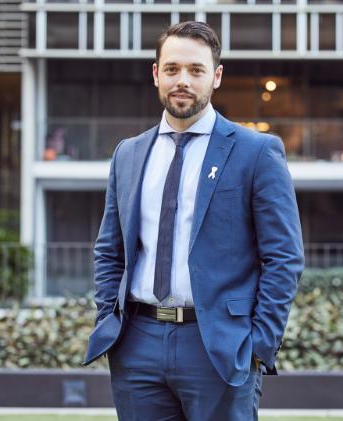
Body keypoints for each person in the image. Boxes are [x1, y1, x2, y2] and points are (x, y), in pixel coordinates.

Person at [83, 21, 304, 420]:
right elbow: (109, 248)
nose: (182, 80)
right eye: (172, 69)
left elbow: (285, 257)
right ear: (156, 74)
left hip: (219, 346)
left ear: (215, 77)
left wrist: (257, 344)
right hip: (138, 344)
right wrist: (107, 318)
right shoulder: (128, 154)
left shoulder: (256, 152)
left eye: (196, 70)